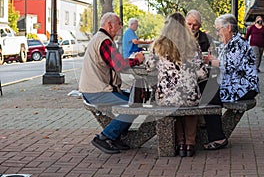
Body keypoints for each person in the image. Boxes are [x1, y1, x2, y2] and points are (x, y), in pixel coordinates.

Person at [79, 12, 145, 154]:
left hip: (96, 89)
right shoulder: (104, 41)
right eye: (119, 24)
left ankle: (116, 137)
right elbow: (119, 65)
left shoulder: (101, 38)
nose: (121, 27)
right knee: (134, 106)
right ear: (110, 25)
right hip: (96, 92)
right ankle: (104, 137)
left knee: (135, 101)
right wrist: (137, 60)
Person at [146, 12, 208, 157]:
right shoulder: (193, 45)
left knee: (174, 105)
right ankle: (190, 145)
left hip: (165, 97)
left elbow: (149, 67)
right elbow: (202, 74)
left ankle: (180, 143)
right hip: (189, 96)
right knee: (189, 103)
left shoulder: (158, 45)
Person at [203, 13, 259, 150]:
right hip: (234, 85)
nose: (217, 33)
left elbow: (228, 65)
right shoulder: (230, 43)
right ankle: (208, 131)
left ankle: (218, 137)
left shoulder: (237, 43)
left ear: (228, 28)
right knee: (205, 91)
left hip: (244, 87)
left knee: (208, 97)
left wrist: (210, 61)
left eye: (218, 29)